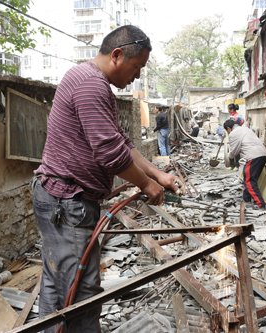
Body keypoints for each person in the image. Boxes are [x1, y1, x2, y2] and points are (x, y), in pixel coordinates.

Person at [32, 25, 184, 333]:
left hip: (60, 198)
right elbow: (111, 154)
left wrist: (158, 174)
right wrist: (147, 185)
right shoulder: (91, 85)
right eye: (137, 67)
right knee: (81, 295)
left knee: (58, 286)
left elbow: (121, 143)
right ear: (117, 55)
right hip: (66, 202)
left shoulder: (89, 80)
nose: (138, 76)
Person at [224, 118, 266, 209]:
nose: (227, 132)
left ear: (228, 128)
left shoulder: (233, 133)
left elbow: (233, 152)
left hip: (253, 156)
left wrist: (228, 156)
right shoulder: (244, 129)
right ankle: (246, 198)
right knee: (248, 177)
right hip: (263, 155)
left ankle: (260, 204)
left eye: (227, 130)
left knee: (249, 181)